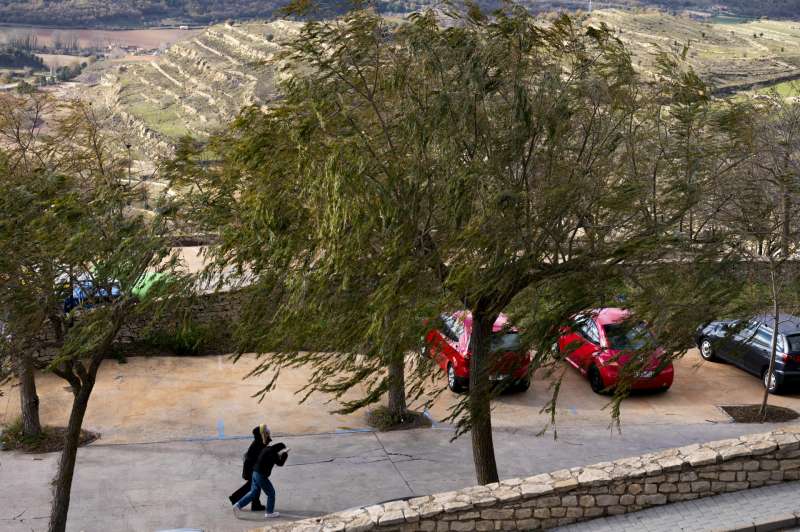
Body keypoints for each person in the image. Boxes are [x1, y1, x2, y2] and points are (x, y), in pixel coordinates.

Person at [232, 424, 289, 519]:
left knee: (253, 492)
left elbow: (269, 456)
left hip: (254, 472)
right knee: (271, 493)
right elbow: (280, 463)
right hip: (259, 474)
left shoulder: (267, 448)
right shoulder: (269, 451)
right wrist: (285, 454)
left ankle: (237, 505)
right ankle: (269, 512)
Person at [228, 425, 269, 511]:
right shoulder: (258, 444)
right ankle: (236, 499)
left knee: (254, 486)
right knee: (253, 486)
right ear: (261, 434)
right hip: (251, 469)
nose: (268, 432)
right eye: (265, 431)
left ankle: (254, 504)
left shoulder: (259, 442)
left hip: (253, 468)